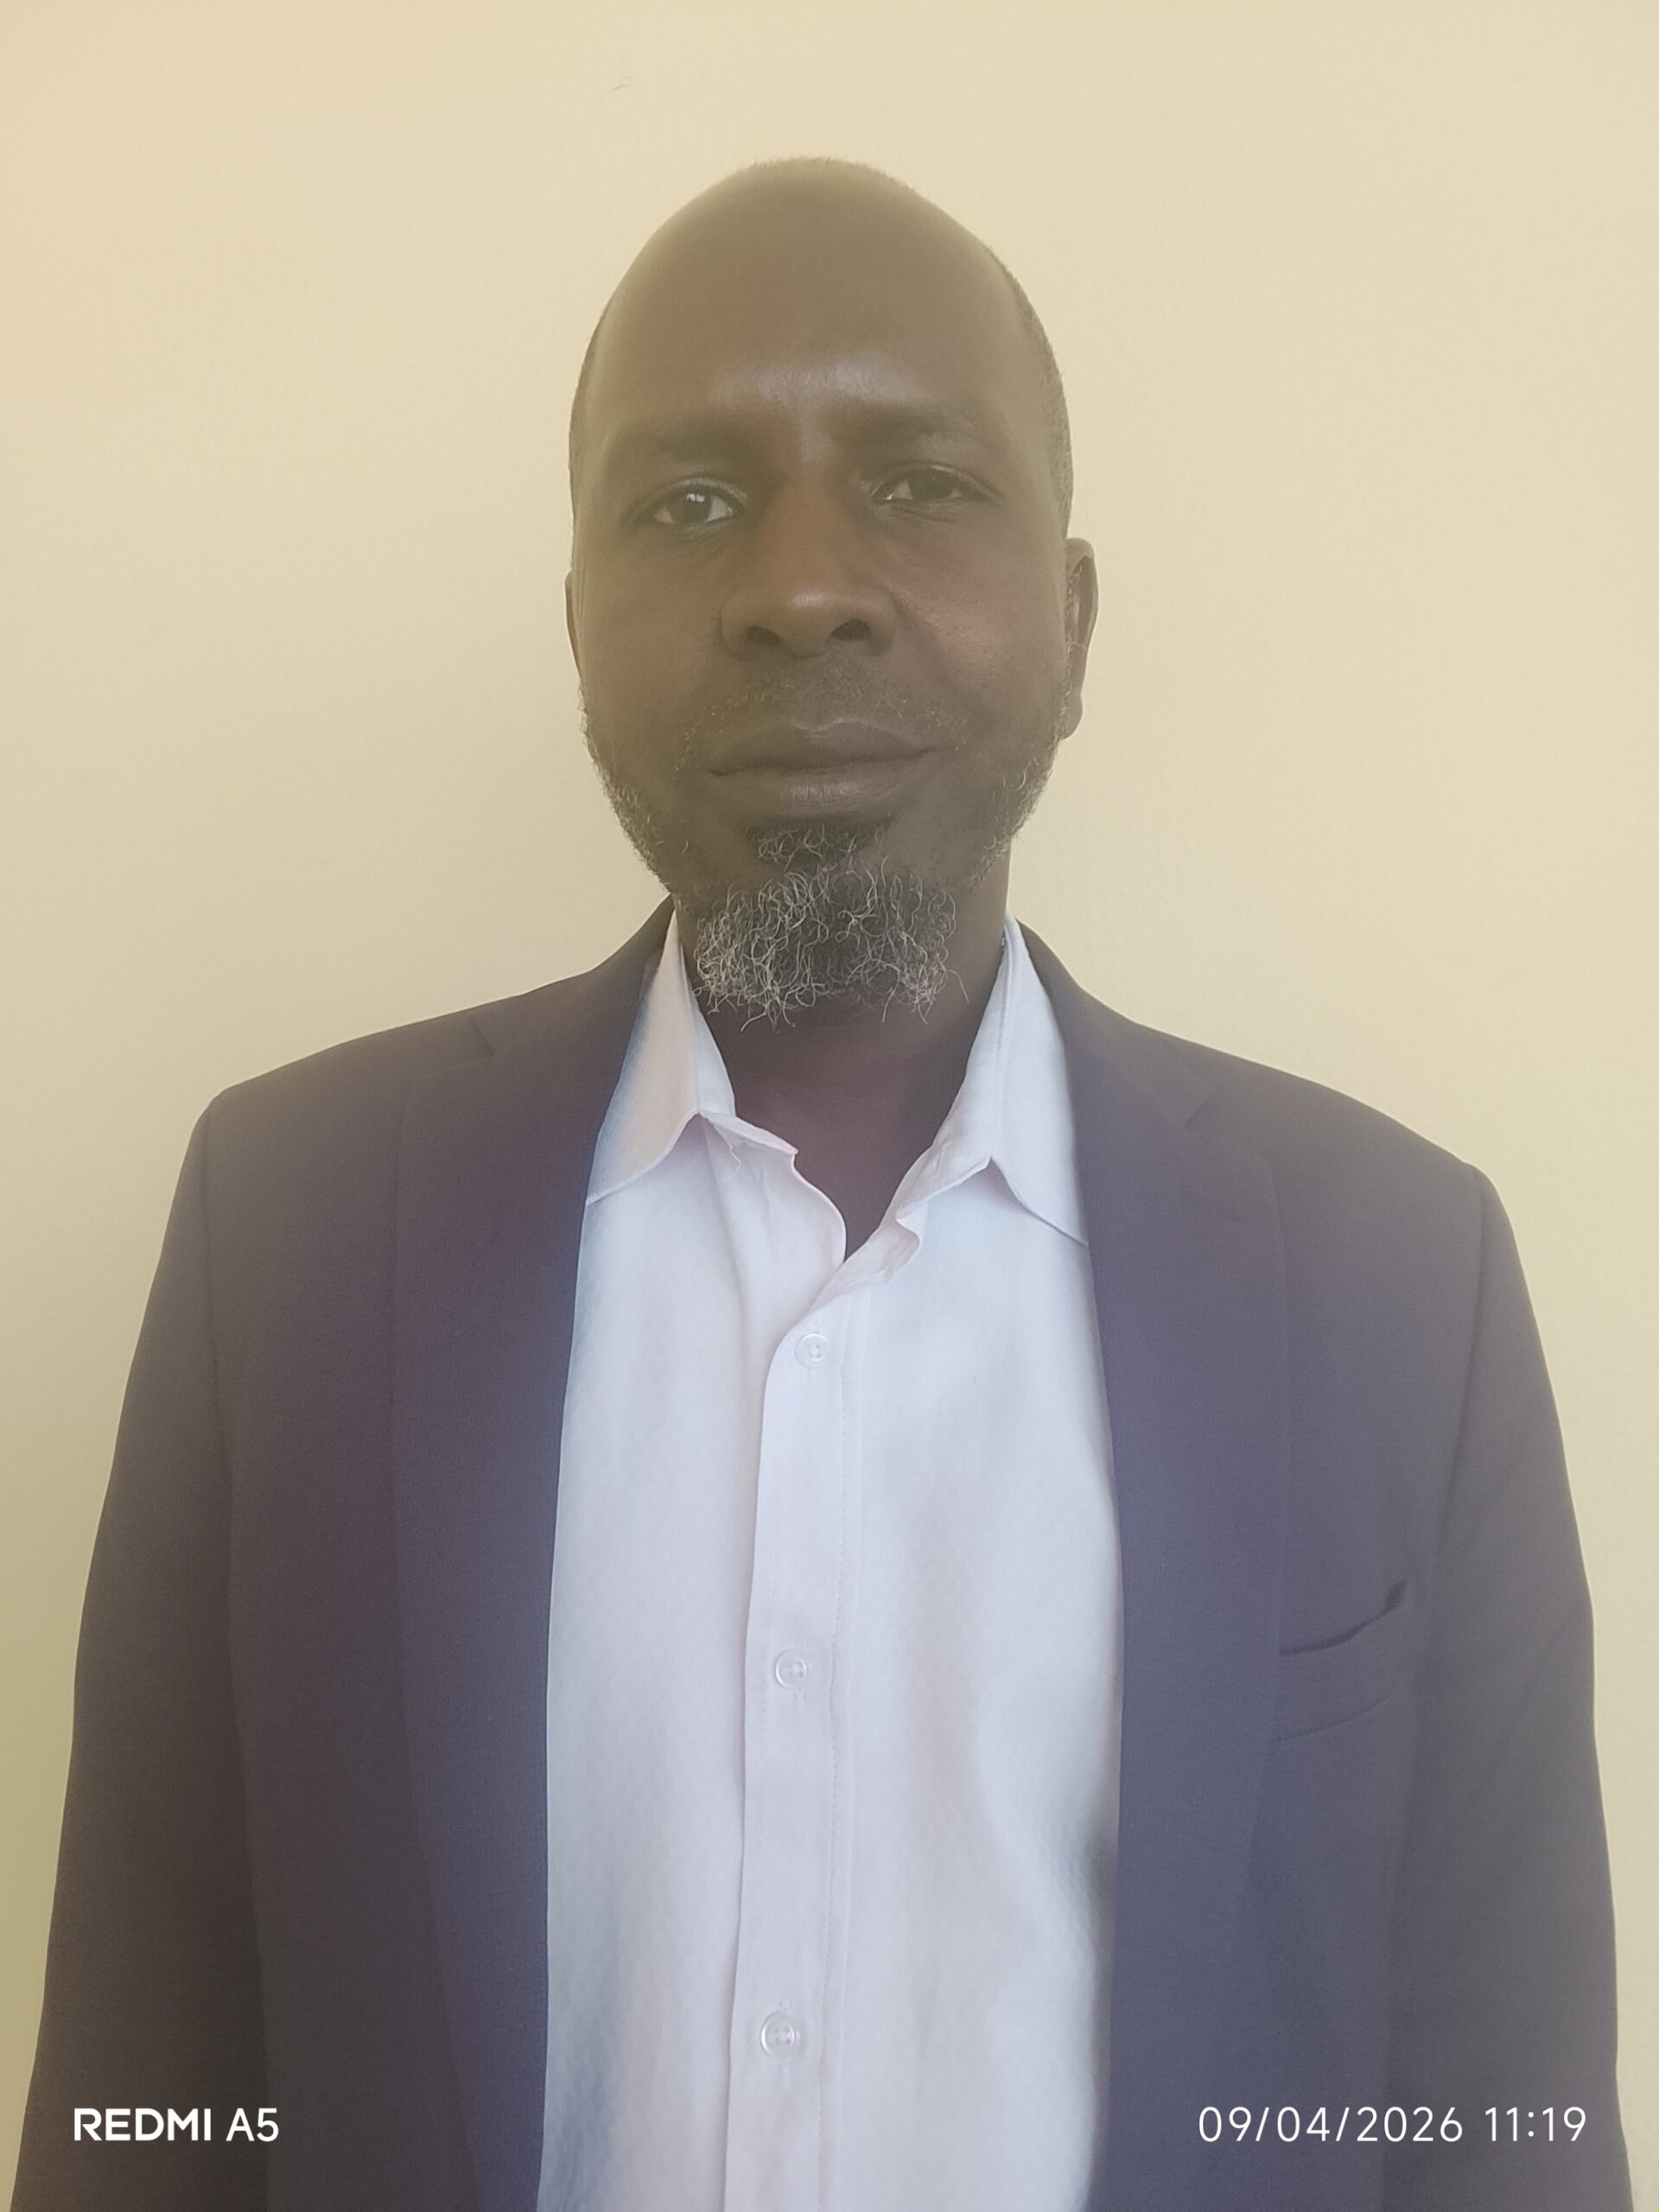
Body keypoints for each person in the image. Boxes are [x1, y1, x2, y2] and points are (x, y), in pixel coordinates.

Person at [12, 158, 1630, 2212]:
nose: (797, 587)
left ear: (1074, 616)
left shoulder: (1396, 1275)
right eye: (688, 498)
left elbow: (1493, 2124)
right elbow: (155, 2095)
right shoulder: (292, 1231)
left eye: (920, 482)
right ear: (576, 624)